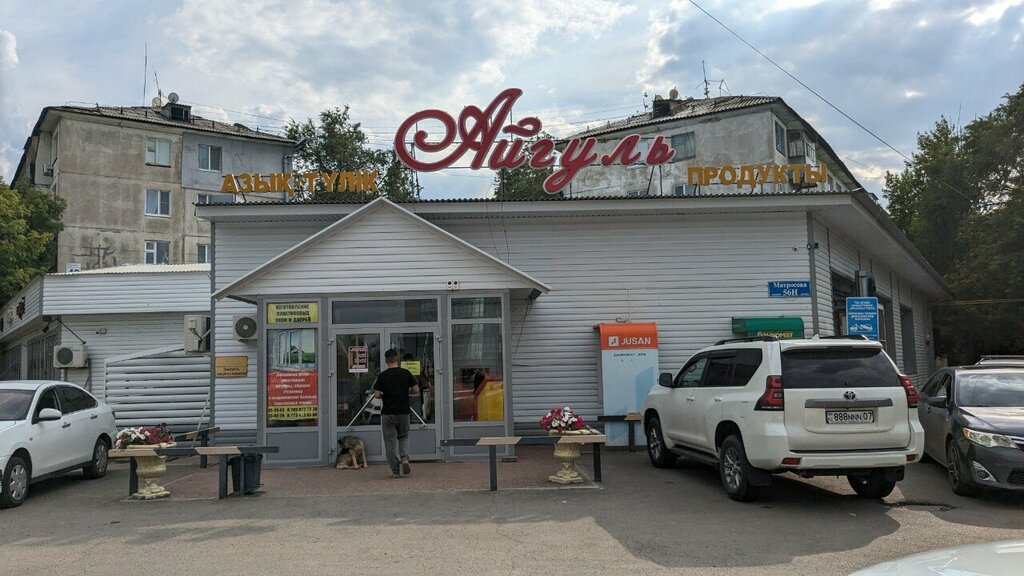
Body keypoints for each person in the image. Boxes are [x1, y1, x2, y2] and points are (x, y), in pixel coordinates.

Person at [373, 349, 419, 477]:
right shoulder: (406, 373)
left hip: (388, 413)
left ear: (386, 361)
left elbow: (376, 394)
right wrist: (406, 392)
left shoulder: (382, 376)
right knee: (403, 436)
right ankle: (404, 458)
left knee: (390, 442)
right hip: (404, 412)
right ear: (397, 359)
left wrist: (382, 394)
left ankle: (395, 471)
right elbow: (416, 389)